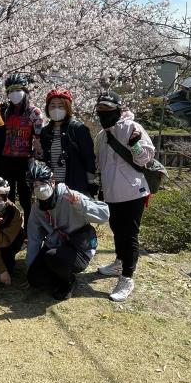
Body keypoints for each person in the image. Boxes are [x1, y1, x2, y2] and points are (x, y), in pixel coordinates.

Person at [92, 92, 156, 303]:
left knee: (129, 235)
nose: (104, 115)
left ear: (119, 110)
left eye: (108, 111)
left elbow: (144, 158)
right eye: (100, 111)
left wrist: (136, 144)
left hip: (132, 192)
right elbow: (99, 165)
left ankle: (127, 277)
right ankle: (119, 262)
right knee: (117, 230)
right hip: (111, 193)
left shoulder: (132, 127)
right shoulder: (101, 136)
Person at [25, 161, 110, 301]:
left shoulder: (70, 196)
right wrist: (29, 267)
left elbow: (104, 215)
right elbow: (34, 239)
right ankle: (58, 275)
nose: (39, 188)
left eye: (42, 183)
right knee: (35, 279)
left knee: (52, 256)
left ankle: (69, 281)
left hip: (79, 247)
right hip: (56, 245)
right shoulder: (37, 208)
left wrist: (80, 205)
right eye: (35, 185)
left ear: (52, 182)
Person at [0, 73, 44, 224]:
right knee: (8, 195)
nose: (14, 93)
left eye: (17, 89)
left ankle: (28, 229)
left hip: (25, 159)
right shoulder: (6, 112)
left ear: (25, 90)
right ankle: (11, 225)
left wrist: (37, 154)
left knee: (25, 197)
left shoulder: (34, 112)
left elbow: (38, 137)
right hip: (7, 159)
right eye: (10, 90)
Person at [40, 88, 98, 195]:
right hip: (52, 187)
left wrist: (90, 182)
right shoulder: (45, 132)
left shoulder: (78, 129)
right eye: (52, 105)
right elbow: (45, 158)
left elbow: (89, 157)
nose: (56, 109)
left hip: (75, 187)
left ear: (68, 107)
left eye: (61, 106)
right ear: (47, 108)